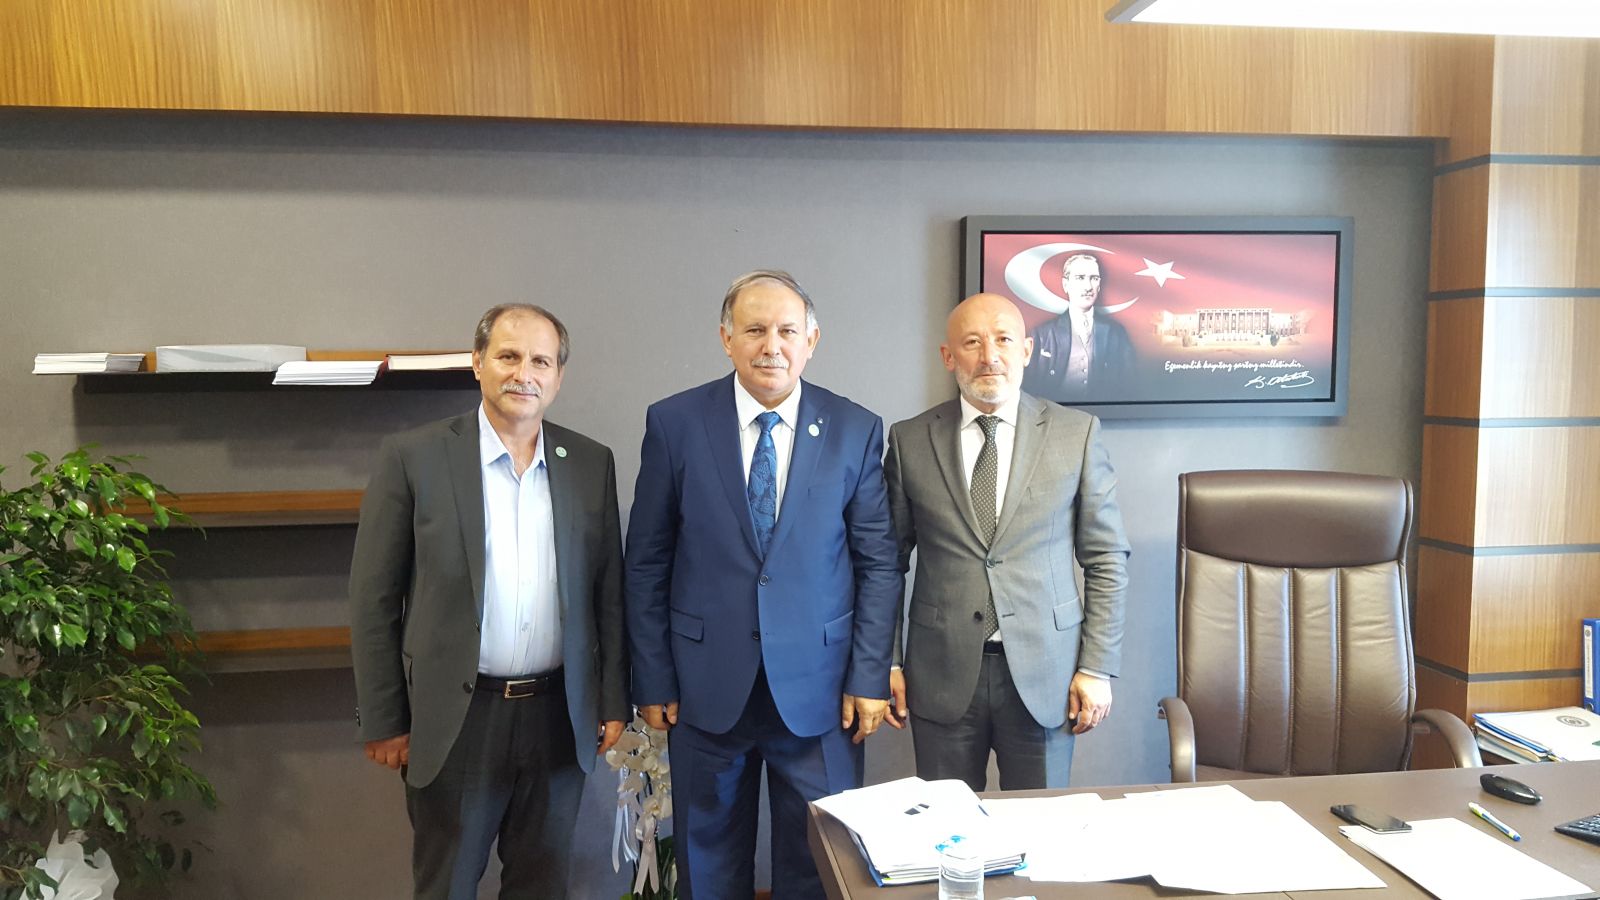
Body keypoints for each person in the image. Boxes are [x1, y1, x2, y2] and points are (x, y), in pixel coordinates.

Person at [625, 270, 901, 899]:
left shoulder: (855, 428)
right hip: (705, 689)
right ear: (726, 338)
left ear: (812, 340)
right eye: (754, 330)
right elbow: (646, 561)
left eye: (786, 330)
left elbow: (878, 563)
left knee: (820, 866)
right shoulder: (675, 423)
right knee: (708, 866)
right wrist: (654, 677)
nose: (771, 345)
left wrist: (868, 675)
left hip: (822, 692)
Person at [349, 304, 629, 900]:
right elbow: (374, 599)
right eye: (508, 356)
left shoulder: (589, 462)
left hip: (559, 717)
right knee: (447, 885)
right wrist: (385, 718)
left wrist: (612, 700)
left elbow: (608, 595)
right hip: (458, 718)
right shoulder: (414, 456)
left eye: (540, 361)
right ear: (478, 363)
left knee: (542, 886)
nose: (524, 373)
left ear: (558, 376)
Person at [885, 292, 1130, 791]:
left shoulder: (1076, 434)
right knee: (947, 828)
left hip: (1048, 673)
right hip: (940, 671)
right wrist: (885, 659)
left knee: (1042, 828)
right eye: (972, 342)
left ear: (1027, 350)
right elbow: (886, 562)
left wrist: (1097, 666)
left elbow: (1106, 558)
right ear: (948, 356)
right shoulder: (910, 440)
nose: (989, 356)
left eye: (1003, 340)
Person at [1021, 251, 1136, 401]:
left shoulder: (1116, 333)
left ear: (1099, 285)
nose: (1088, 286)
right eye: (1080, 278)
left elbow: (1128, 386)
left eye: (1094, 278)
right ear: (1066, 284)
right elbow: (1030, 389)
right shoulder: (1042, 334)